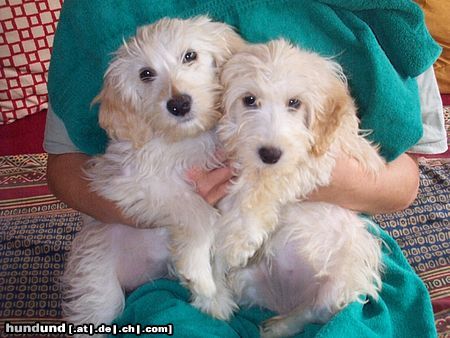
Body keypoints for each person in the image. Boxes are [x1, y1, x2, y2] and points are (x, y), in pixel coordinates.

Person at [45, 1, 445, 336]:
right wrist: (179, 213)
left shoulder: (389, 14)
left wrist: (287, 176)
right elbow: (64, 171)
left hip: (310, 247)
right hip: (163, 267)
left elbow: (403, 184)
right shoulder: (97, 10)